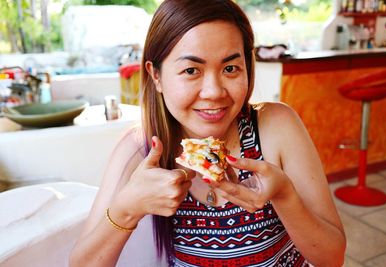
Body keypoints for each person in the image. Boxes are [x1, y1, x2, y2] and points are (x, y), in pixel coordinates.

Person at [69, 0, 346, 266]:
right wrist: (127, 209)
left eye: (230, 68)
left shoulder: (276, 126)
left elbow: (331, 259)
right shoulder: (140, 149)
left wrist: (284, 195)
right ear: (156, 76)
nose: (214, 92)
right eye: (191, 70)